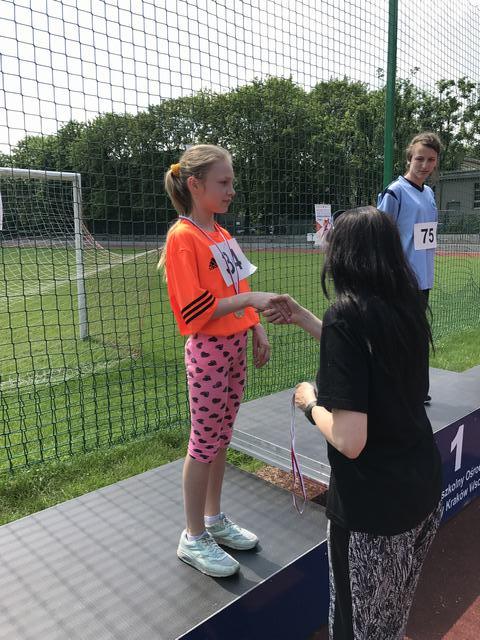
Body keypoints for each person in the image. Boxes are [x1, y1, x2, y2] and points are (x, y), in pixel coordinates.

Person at [264, 207, 443, 640]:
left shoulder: (347, 316)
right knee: (391, 620)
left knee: (357, 630)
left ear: (345, 256)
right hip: (421, 488)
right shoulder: (405, 307)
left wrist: (310, 404)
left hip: (373, 509)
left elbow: (349, 439)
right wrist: (305, 317)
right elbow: (367, 356)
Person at [159, 144, 278, 578]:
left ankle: (213, 520)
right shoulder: (183, 237)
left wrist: (256, 327)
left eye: (231, 182)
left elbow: (237, 288)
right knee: (203, 442)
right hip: (208, 351)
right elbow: (193, 312)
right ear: (195, 185)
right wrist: (249, 302)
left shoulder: (223, 234)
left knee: (222, 437)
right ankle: (192, 537)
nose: (231, 190)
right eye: (223, 183)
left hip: (235, 347)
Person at [377, 132, 442, 403]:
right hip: (401, 280)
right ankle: (396, 392)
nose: (425, 165)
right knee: (400, 337)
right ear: (409, 159)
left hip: (423, 279)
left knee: (418, 336)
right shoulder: (395, 192)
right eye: (419, 159)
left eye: (431, 160)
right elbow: (378, 235)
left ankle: (417, 391)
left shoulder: (429, 193)